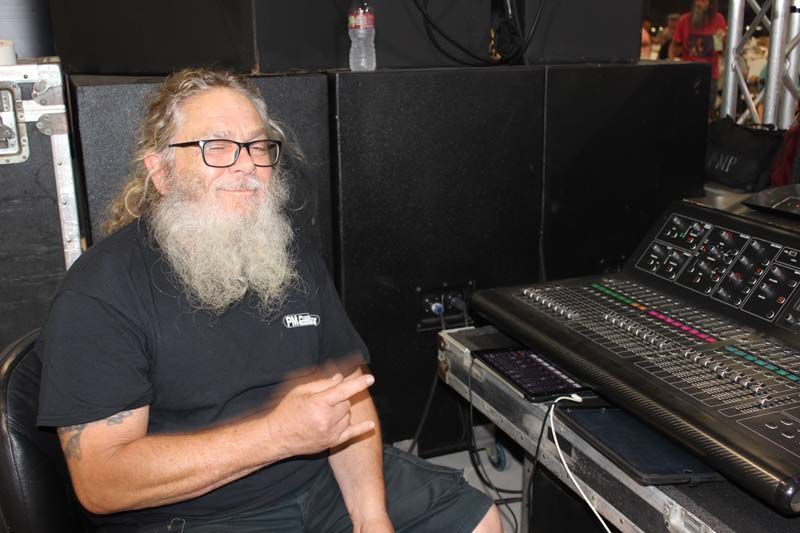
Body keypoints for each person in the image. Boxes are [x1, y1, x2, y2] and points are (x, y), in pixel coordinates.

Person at [36, 69, 502, 532]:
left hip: (318, 480)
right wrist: (278, 436)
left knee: (480, 521)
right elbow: (101, 481)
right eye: (216, 147)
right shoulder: (101, 291)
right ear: (160, 172)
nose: (246, 165)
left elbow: (347, 390)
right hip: (194, 514)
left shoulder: (288, 251)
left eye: (258, 146)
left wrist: (370, 513)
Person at [670, 0, 728, 111]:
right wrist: (673, 66)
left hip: (710, 76)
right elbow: (674, 47)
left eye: (702, 0)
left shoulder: (718, 19)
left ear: (711, 4)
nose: (698, 3)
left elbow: (720, 49)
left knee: (706, 112)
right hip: (687, 74)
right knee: (684, 109)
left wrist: (722, 40)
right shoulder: (684, 20)